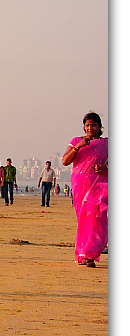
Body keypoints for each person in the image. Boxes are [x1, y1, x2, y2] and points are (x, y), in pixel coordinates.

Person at [62, 112, 107, 267]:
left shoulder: (107, 143)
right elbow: (65, 161)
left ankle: (90, 255)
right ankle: (83, 253)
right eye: (87, 125)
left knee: (96, 218)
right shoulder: (76, 141)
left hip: (99, 186)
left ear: (100, 127)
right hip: (80, 186)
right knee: (83, 220)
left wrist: (106, 167)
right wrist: (78, 147)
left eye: (93, 125)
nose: (90, 128)